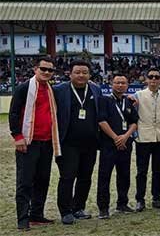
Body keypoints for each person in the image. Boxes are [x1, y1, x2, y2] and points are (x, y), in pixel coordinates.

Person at [52, 60, 109, 224]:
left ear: (89, 74)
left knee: (85, 177)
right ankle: (65, 211)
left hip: (90, 143)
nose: (81, 75)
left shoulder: (95, 90)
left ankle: (78, 208)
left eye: (85, 72)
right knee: (67, 177)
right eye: (77, 72)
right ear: (70, 74)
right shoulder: (59, 90)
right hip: (68, 143)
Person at [9, 57, 59, 230]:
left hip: (46, 142)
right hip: (28, 142)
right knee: (25, 181)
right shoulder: (24, 88)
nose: (46, 72)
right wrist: (17, 136)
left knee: (43, 180)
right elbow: (14, 112)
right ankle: (23, 219)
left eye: (50, 70)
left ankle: (37, 215)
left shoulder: (51, 89)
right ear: (35, 69)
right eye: (43, 69)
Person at [97, 73, 139, 219]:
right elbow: (101, 121)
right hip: (109, 144)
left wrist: (125, 136)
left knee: (124, 174)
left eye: (123, 83)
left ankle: (122, 203)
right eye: (117, 83)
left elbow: (134, 122)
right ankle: (103, 208)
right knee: (104, 176)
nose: (120, 85)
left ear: (127, 85)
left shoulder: (128, 102)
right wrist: (116, 138)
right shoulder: (104, 100)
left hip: (125, 144)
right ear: (111, 84)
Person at [133, 68, 160, 212]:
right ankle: (140, 199)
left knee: (158, 170)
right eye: (151, 77)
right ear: (146, 79)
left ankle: (156, 198)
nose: (153, 80)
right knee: (141, 171)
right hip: (143, 137)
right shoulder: (138, 95)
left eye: (156, 77)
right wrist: (135, 135)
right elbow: (133, 116)